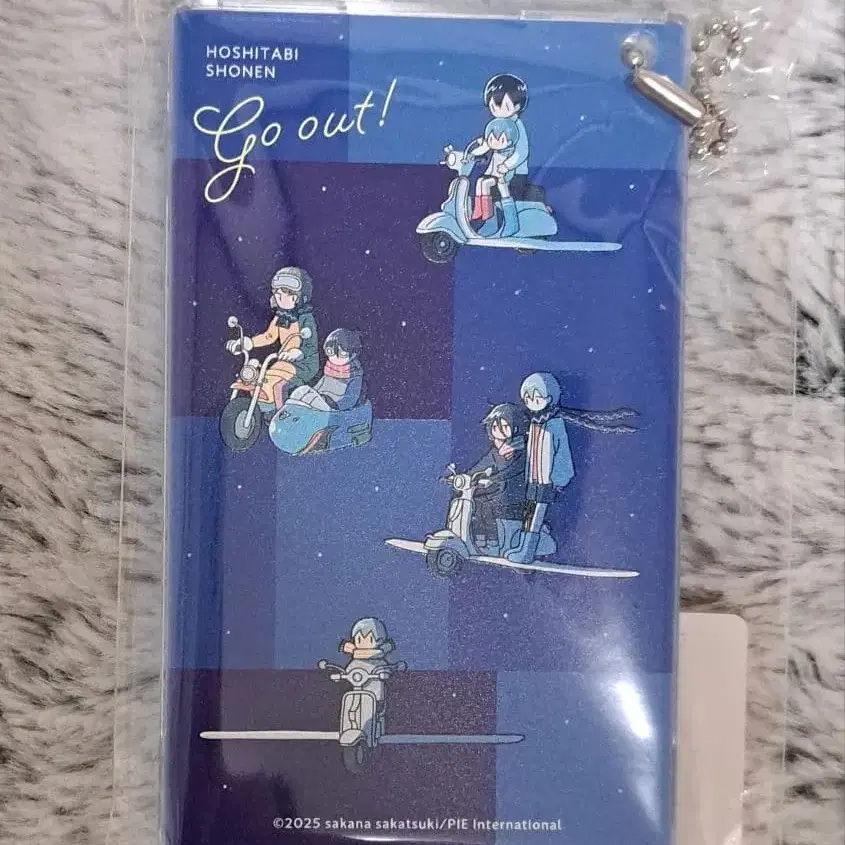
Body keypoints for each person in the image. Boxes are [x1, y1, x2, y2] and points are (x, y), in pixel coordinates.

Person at [506, 372, 638, 563]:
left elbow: (562, 455)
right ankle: (524, 546)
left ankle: (527, 553)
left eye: (536, 397)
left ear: (550, 397)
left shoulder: (555, 424)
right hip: (532, 479)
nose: (531, 402)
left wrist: (559, 480)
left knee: (536, 515)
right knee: (528, 512)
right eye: (527, 398)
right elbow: (530, 446)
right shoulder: (534, 423)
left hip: (546, 482)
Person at [225, 267, 319, 409]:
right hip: (283, 361)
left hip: (304, 363)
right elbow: (269, 336)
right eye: (278, 292)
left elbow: (309, 343)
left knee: (278, 386)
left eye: (287, 292)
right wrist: (248, 343)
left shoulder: (306, 318)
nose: (279, 296)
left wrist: (297, 353)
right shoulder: (280, 316)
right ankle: (263, 408)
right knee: (262, 379)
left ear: (298, 297)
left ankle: (282, 414)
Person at [467, 403, 528, 553]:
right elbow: (482, 465)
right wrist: (466, 476)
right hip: (498, 489)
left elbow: (513, 471)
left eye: (505, 426)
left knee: (487, 504)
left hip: (513, 494)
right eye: (495, 427)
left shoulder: (521, 451)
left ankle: (493, 541)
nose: (499, 431)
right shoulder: (496, 452)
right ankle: (479, 539)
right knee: (475, 500)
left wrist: (493, 479)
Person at [288, 328, 364, 412]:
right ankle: (289, 411)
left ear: (353, 355)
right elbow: (319, 386)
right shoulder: (330, 370)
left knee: (310, 398)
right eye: (330, 352)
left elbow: (350, 399)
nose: (335, 357)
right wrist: (313, 392)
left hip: (333, 405)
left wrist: (333, 404)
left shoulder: (354, 375)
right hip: (321, 398)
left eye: (342, 354)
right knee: (302, 390)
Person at [469, 119, 521, 236]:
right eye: (491, 139)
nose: (495, 142)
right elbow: (482, 149)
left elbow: (516, 158)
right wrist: (471, 154)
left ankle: (488, 213)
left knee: (485, 183)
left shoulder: (510, 151)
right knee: (480, 181)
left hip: (502, 176)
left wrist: (505, 167)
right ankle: (479, 209)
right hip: (493, 174)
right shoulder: (494, 149)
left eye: (500, 139)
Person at [482, 74, 530, 201]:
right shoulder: (495, 124)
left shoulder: (517, 126)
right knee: (482, 183)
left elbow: (522, 152)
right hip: (496, 169)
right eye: (493, 107)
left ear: (517, 106)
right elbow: (487, 144)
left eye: (505, 106)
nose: (499, 111)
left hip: (516, 172)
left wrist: (507, 165)